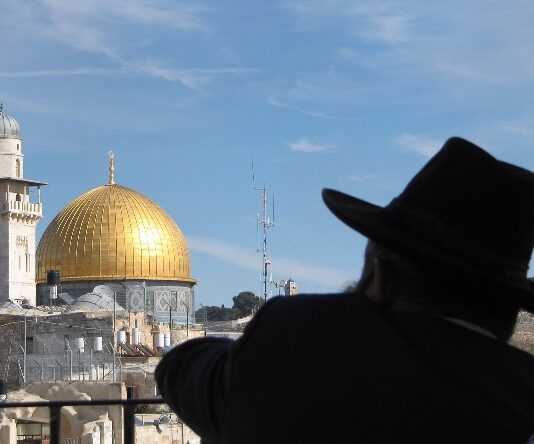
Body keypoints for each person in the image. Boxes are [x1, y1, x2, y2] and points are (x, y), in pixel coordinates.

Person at [155, 137, 534, 443]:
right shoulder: (518, 401)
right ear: (509, 308)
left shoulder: (296, 344)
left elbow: (180, 368)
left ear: (380, 277)